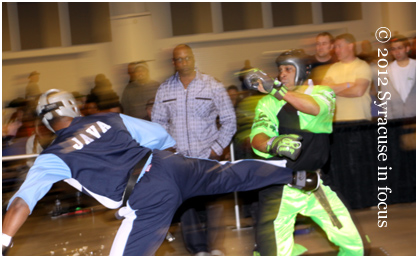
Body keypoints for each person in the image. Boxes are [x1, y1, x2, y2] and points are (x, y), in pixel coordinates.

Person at [2, 89, 320, 256]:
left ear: (45, 124)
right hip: (171, 165)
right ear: (72, 107)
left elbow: (21, 204)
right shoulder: (106, 120)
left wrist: (3, 240)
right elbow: (160, 135)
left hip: (146, 198)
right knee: (230, 172)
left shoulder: (52, 156)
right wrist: (168, 175)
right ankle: (294, 175)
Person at [247, 49, 364, 256]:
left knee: (355, 243)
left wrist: (277, 90)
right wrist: (272, 143)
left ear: (303, 70)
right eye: (280, 69)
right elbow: (258, 137)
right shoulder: (267, 103)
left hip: (316, 185)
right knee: (272, 253)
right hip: (280, 187)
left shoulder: (323, 92)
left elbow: (313, 109)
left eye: (288, 69)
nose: (282, 74)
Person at [152, 44, 236, 255]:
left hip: (207, 156)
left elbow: (229, 120)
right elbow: (158, 122)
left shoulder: (212, 85)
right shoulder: (165, 89)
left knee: (213, 201)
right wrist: (167, 149)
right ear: (174, 63)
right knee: (186, 204)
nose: (184, 63)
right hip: (179, 159)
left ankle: (215, 247)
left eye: (187, 58)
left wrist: (216, 148)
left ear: (193, 59)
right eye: (179, 60)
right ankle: (197, 249)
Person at [322, 33, 372, 122]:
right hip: (337, 120)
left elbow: (358, 91)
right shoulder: (333, 68)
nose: (336, 50)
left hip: (359, 119)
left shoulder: (362, 66)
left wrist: (334, 90)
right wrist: (347, 85)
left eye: (339, 46)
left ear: (350, 46)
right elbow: (324, 91)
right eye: (335, 47)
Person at [386, 35, 416, 119]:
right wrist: (388, 119)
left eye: (400, 48)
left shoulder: (415, 66)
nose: (397, 52)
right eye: (394, 49)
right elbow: (386, 99)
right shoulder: (387, 70)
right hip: (397, 118)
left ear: (407, 48)